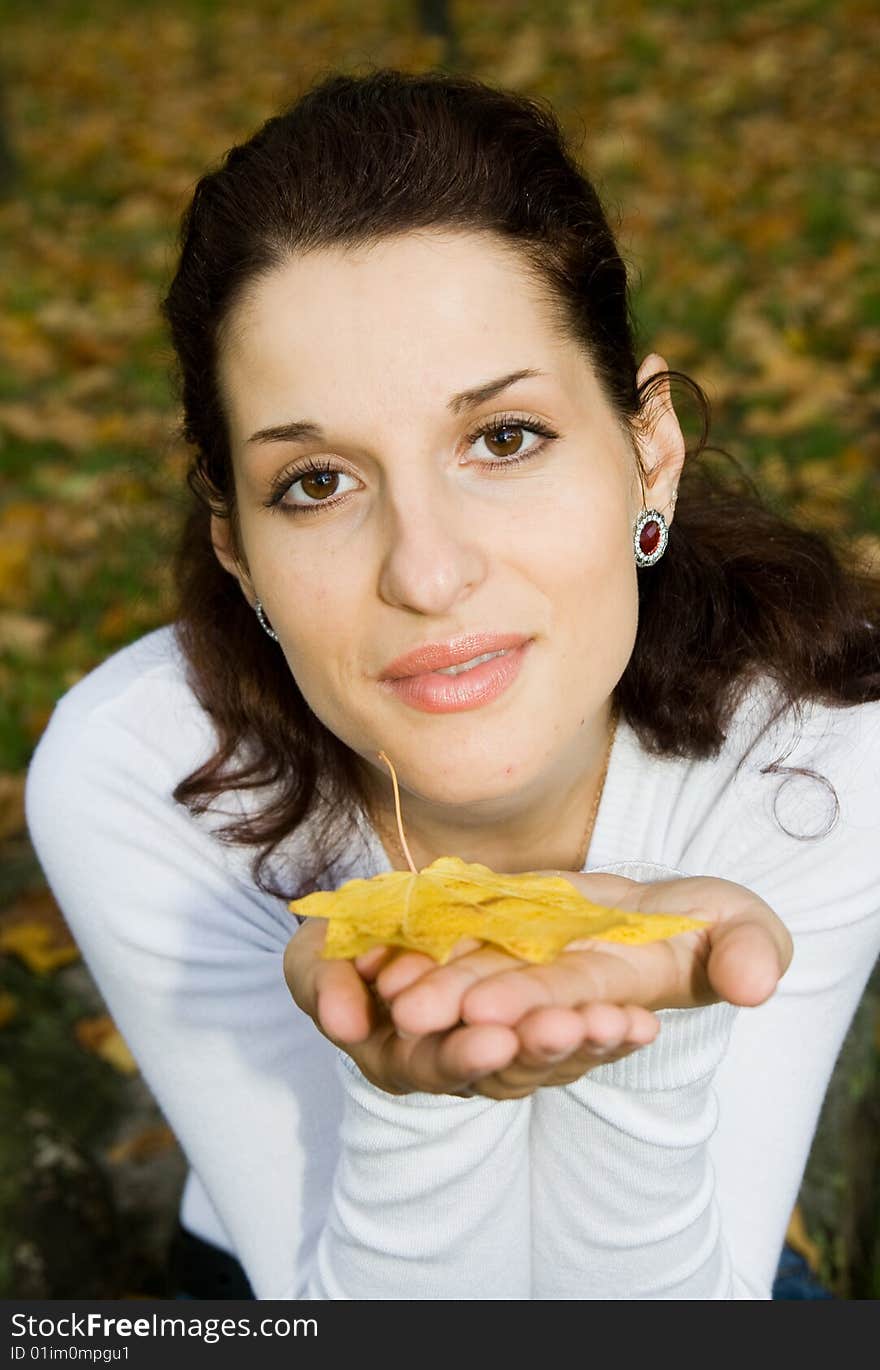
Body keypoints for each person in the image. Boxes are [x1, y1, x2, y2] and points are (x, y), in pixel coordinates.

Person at [24, 67, 880, 1302]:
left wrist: (659, 1031)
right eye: (316, 481)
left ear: (649, 452)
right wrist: (407, 1096)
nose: (426, 573)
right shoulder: (143, 771)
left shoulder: (826, 751)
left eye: (504, 437)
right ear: (237, 548)